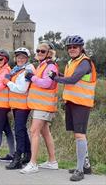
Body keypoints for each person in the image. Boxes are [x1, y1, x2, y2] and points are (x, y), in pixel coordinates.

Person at [49, 35, 96, 182]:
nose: (71, 49)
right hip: (72, 102)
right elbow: (70, 77)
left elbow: (73, 80)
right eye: (69, 47)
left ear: (81, 48)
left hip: (81, 104)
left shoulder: (84, 62)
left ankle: (80, 170)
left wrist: (55, 78)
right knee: (78, 135)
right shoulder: (72, 62)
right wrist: (59, 75)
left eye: (74, 47)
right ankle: (85, 166)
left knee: (79, 135)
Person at [20, 41, 59, 174]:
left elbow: (47, 83)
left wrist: (32, 78)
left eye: (42, 51)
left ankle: (33, 163)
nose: (39, 53)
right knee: (44, 132)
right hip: (40, 104)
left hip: (44, 104)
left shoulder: (51, 66)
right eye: (38, 51)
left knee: (34, 131)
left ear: (49, 53)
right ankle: (52, 161)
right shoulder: (42, 65)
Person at [4, 47, 35, 170]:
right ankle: (27, 154)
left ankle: (18, 158)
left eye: (23, 57)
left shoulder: (27, 70)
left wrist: (7, 82)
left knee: (18, 130)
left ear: (27, 59)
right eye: (18, 57)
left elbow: (21, 89)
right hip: (17, 105)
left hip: (22, 105)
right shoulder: (17, 70)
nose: (20, 59)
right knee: (21, 129)